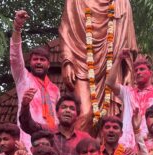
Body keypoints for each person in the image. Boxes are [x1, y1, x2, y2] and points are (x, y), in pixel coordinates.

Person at [58, 0, 138, 129]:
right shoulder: (75, 1)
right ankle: (79, 149)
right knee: (84, 114)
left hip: (112, 64)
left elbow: (129, 39)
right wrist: (67, 61)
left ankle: (105, 149)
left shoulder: (122, 2)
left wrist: (129, 72)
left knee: (111, 119)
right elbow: (65, 29)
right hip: (81, 62)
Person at [11, 10, 60, 148]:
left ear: (48, 64)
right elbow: (15, 57)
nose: (38, 62)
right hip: (28, 139)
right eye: (35, 59)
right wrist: (17, 27)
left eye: (42, 60)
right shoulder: (23, 78)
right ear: (30, 63)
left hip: (52, 140)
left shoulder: (55, 89)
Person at [108, 52, 153, 147]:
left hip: (151, 145)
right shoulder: (127, 92)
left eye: (142, 69)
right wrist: (118, 59)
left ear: (151, 73)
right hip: (127, 146)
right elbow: (110, 83)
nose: (138, 72)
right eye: (136, 70)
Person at [19, 92, 90, 155]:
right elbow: (27, 125)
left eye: (72, 108)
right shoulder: (47, 131)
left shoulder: (85, 139)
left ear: (77, 115)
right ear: (57, 113)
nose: (67, 110)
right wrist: (25, 106)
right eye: (64, 107)